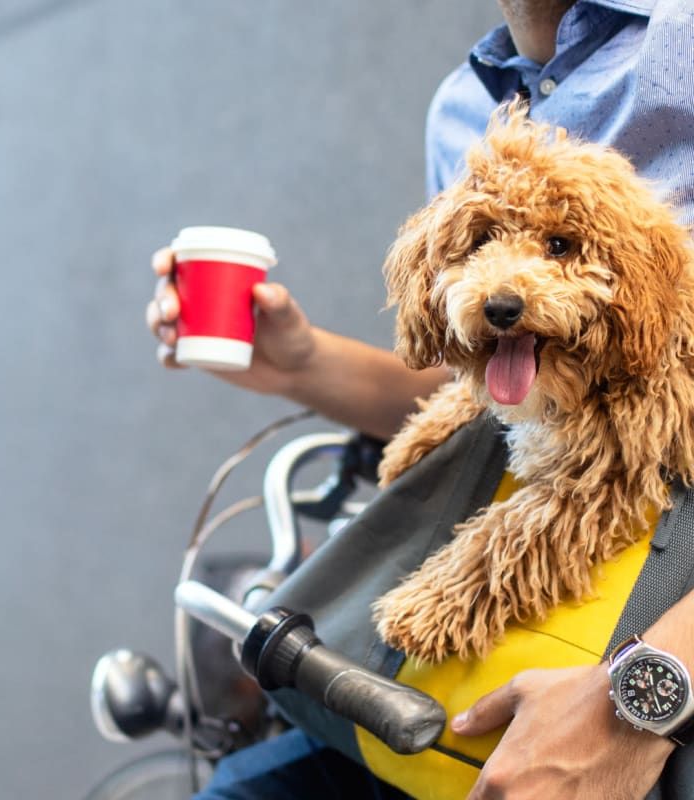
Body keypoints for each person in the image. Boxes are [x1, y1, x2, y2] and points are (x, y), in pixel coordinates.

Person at [146, 1, 694, 797]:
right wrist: (300, 365)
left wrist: (642, 700)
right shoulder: (461, 109)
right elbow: (497, 390)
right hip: (464, 691)